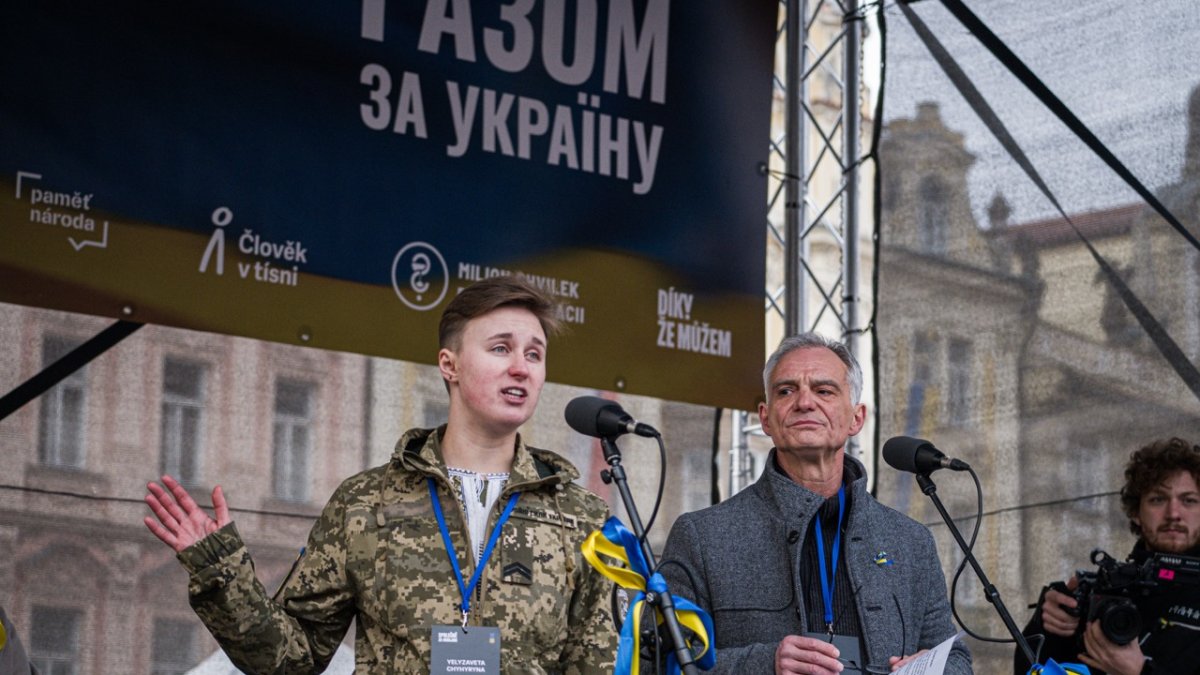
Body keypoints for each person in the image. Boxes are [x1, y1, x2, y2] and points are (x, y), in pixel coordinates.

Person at [143, 275, 617, 674]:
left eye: (534, 355)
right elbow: (291, 658)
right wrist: (220, 570)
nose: (521, 368)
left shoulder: (580, 517)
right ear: (448, 365)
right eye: (500, 348)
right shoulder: (367, 502)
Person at [657, 333, 972, 674]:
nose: (805, 402)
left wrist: (932, 670)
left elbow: (956, 657)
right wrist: (764, 665)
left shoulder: (910, 541)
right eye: (786, 391)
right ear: (765, 418)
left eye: (824, 391)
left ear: (856, 418)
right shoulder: (703, 536)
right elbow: (657, 662)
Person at [1014, 437, 1200, 675]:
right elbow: (1029, 671)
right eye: (1158, 499)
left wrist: (1139, 672)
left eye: (1189, 501)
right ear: (1135, 513)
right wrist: (1047, 627)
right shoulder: (1107, 593)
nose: (1173, 513)